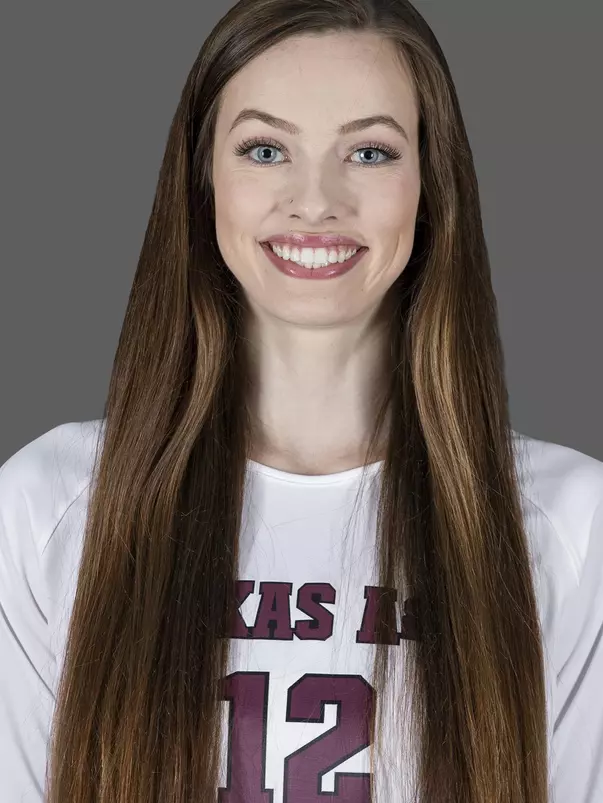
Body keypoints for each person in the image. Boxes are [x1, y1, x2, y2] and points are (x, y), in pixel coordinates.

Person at [1, 1, 602, 801]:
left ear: (430, 185)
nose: (315, 200)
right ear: (203, 180)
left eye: (368, 151)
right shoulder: (47, 505)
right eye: (265, 149)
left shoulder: (573, 527)